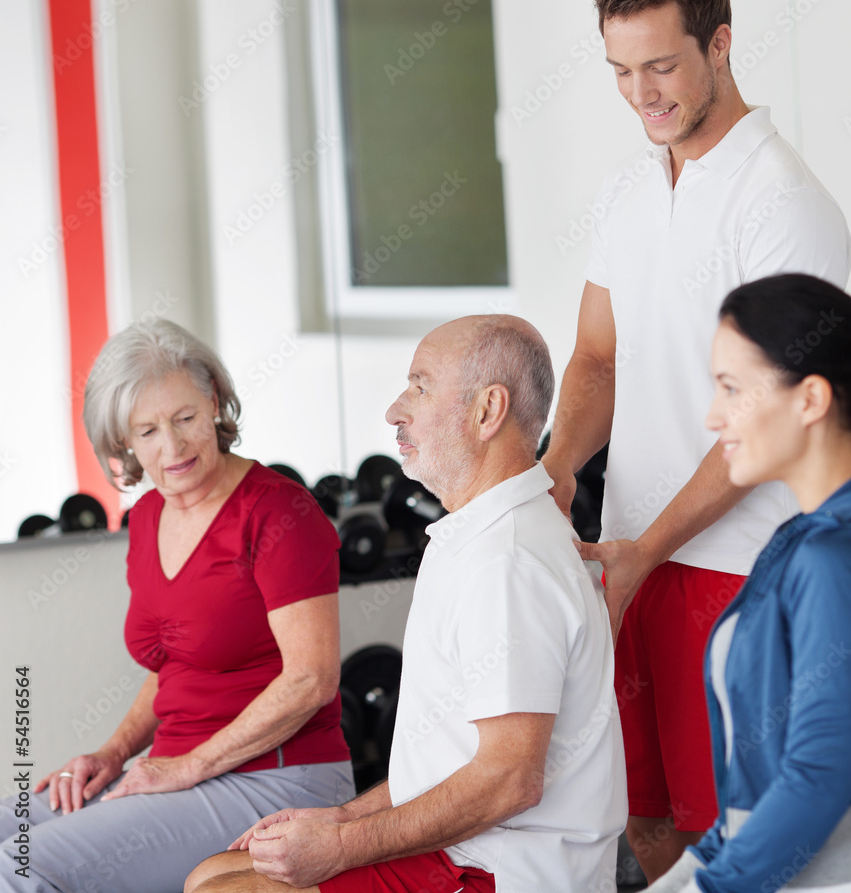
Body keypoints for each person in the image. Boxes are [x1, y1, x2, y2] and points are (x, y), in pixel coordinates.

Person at [540, 0, 851, 881]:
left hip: (738, 570)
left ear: (720, 44)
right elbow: (598, 360)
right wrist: (552, 479)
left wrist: (642, 551)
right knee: (646, 826)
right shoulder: (628, 191)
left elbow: (763, 421)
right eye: (622, 71)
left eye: (663, 65)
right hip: (632, 557)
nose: (644, 94)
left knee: (743, 845)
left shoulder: (783, 204)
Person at [183, 314, 626, 893]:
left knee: (228, 891)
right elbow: (447, 761)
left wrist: (340, 846)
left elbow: (511, 780)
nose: (396, 409)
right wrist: (339, 817)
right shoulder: (474, 535)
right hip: (469, 850)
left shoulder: (507, 560)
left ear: (487, 411)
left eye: (420, 386)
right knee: (211, 874)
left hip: (502, 873)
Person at [0, 319, 354, 893]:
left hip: (278, 780)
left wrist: (188, 767)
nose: (173, 447)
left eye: (185, 418)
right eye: (147, 431)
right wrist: (113, 754)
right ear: (124, 443)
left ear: (213, 401)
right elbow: (175, 665)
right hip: (172, 771)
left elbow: (312, 679)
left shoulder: (280, 513)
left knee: (20, 868)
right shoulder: (146, 519)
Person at [647, 272, 851, 893]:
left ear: (810, 400)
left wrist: (712, 887)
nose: (713, 417)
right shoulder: (801, 541)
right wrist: (693, 871)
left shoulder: (843, 554)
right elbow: (756, 786)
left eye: (732, 389)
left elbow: (817, 776)